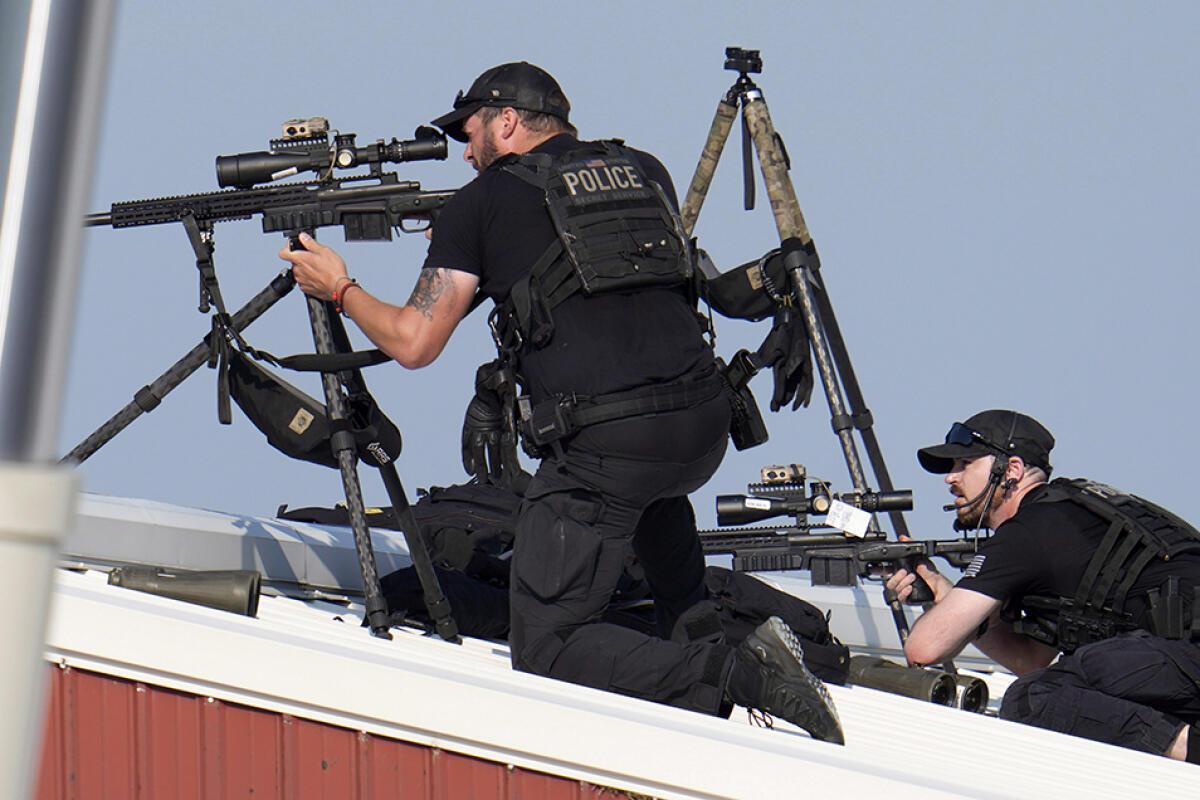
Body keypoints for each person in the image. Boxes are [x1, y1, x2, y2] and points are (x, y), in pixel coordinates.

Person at [278, 61, 842, 742]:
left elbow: (414, 340)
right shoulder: (643, 170)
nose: (464, 150)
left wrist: (338, 286)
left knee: (547, 646)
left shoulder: (479, 205)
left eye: (471, 131)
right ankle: (709, 657)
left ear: (508, 122)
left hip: (610, 445)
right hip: (699, 427)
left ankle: (742, 676)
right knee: (657, 526)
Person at [887, 409, 1200, 762]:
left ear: (1012, 470)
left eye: (965, 463)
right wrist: (945, 595)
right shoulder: (1069, 511)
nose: (950, 477)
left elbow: (923, 649)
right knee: (1066, 685)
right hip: (1179, 663)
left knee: (1031, 699)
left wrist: (945, 606)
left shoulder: (1028, 532)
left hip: (1185, 657)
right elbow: (1031, 658)